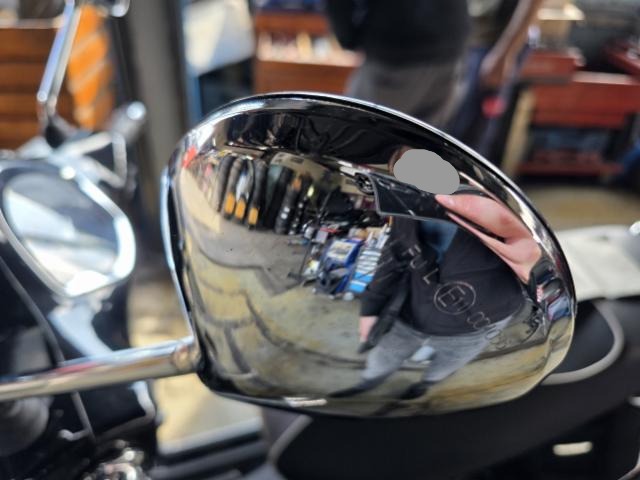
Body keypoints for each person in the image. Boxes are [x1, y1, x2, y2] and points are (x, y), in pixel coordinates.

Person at [325, 0, 470, 129]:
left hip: (398, 47)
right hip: (452, 40)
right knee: (422, 140)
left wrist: (348, 37)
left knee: (353, 130)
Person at [449, 0, 543, 161]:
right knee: (451, 127)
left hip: (492, 47)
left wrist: (505, 54)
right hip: (470, 38)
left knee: (468, 137)